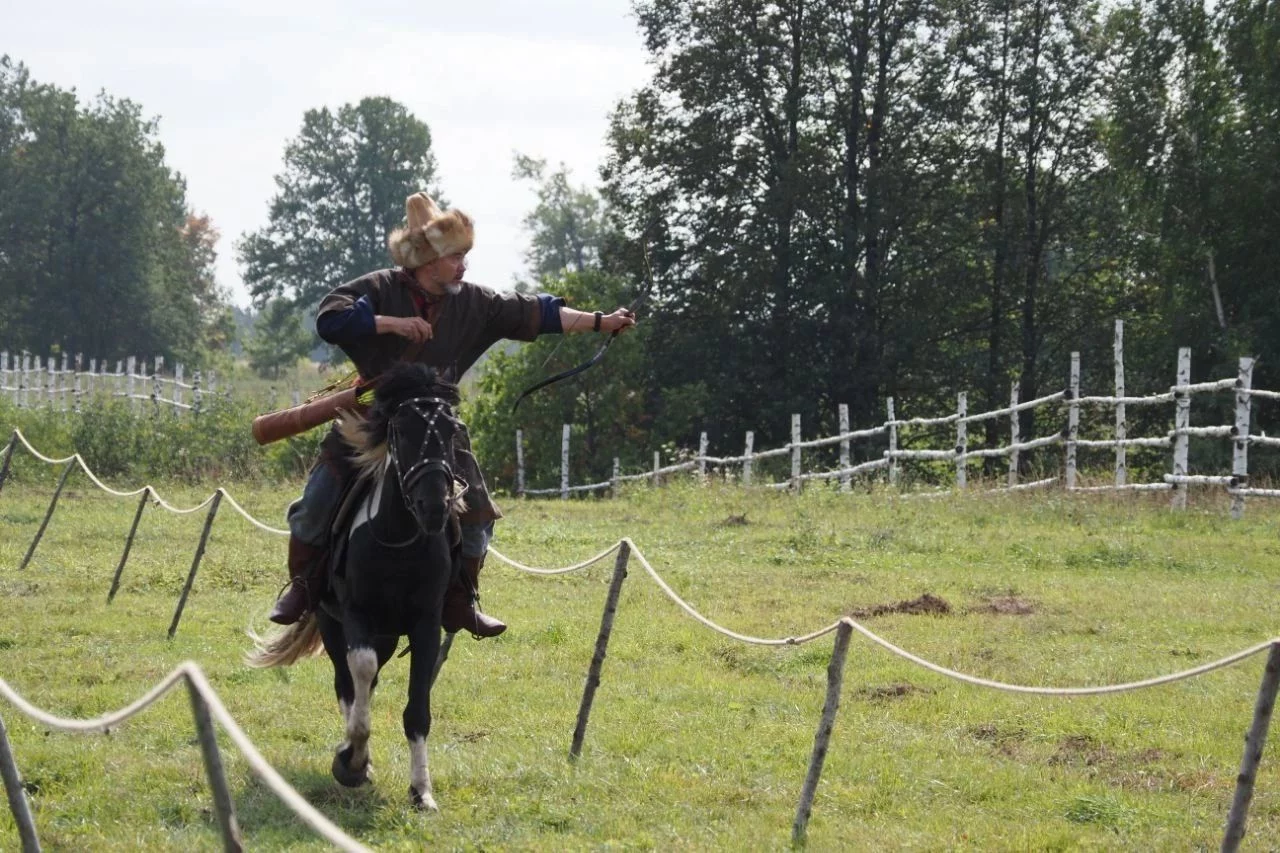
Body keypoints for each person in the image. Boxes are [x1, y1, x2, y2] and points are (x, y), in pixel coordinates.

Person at [270, 191, 636, 633]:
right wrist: (392, 323)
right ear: (428, 261)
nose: (464, 265)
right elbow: (331, 319)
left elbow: (535, 313)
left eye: (465, 255)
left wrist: (602, 321)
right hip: (371, 416)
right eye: (457, 256)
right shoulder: (380, 288)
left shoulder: (473, 301)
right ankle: (304, 587)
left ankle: (461, 599)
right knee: (316, 502)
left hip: (436, 425)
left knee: (477, 515)